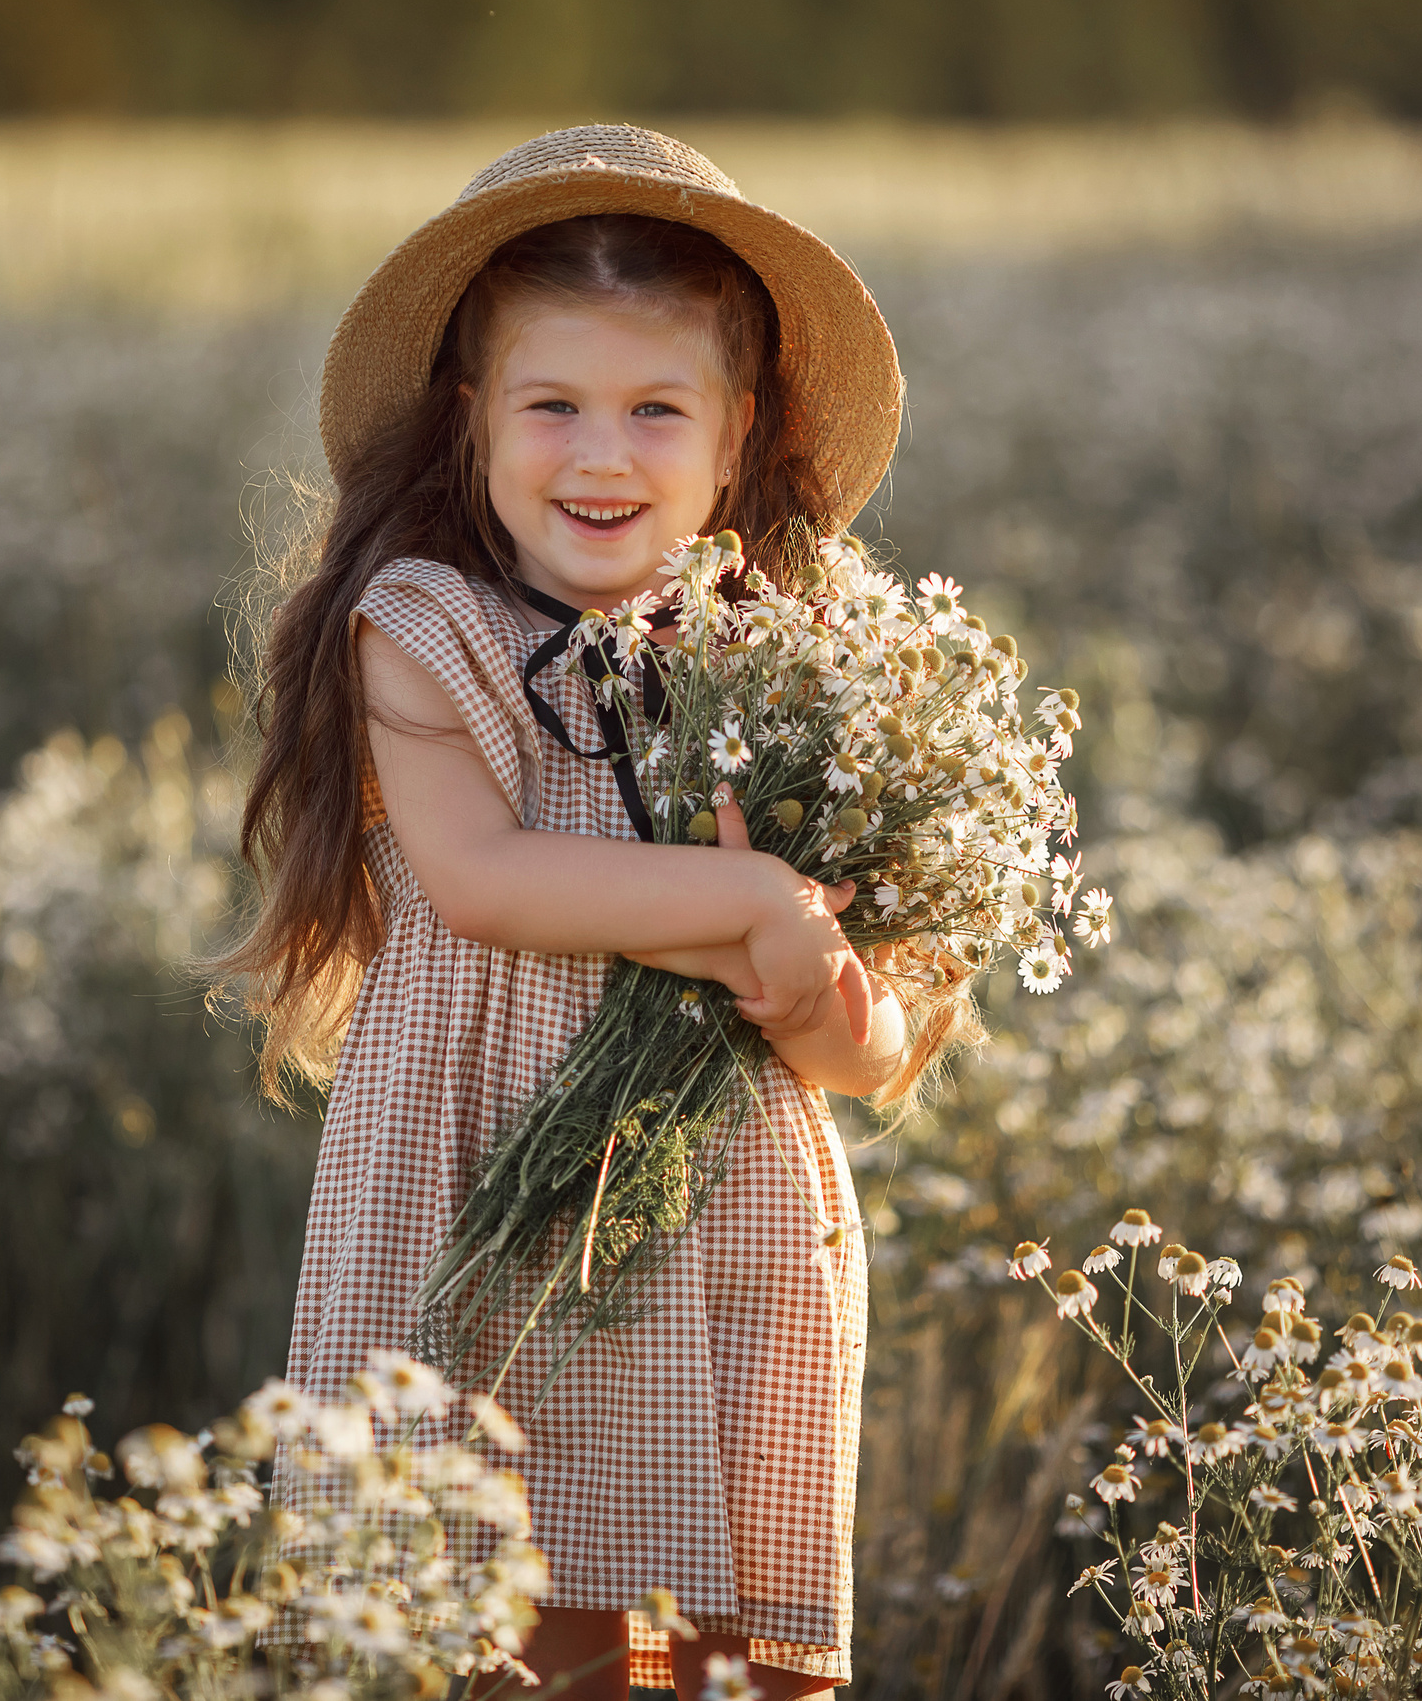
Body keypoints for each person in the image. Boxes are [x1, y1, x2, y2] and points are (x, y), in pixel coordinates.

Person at [221, 124, 975, 1698]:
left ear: (739, 436)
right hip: (480, 1198)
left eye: (656, 410)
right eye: (551, 405)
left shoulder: (810, 668)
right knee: (504, 1626)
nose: (600, 456)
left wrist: (810, 975)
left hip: (726, 1226)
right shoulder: (426, 624)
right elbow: (489, 881)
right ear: (471, 421)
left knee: (712, 1643)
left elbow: (861, 1056)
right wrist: (754, 899)